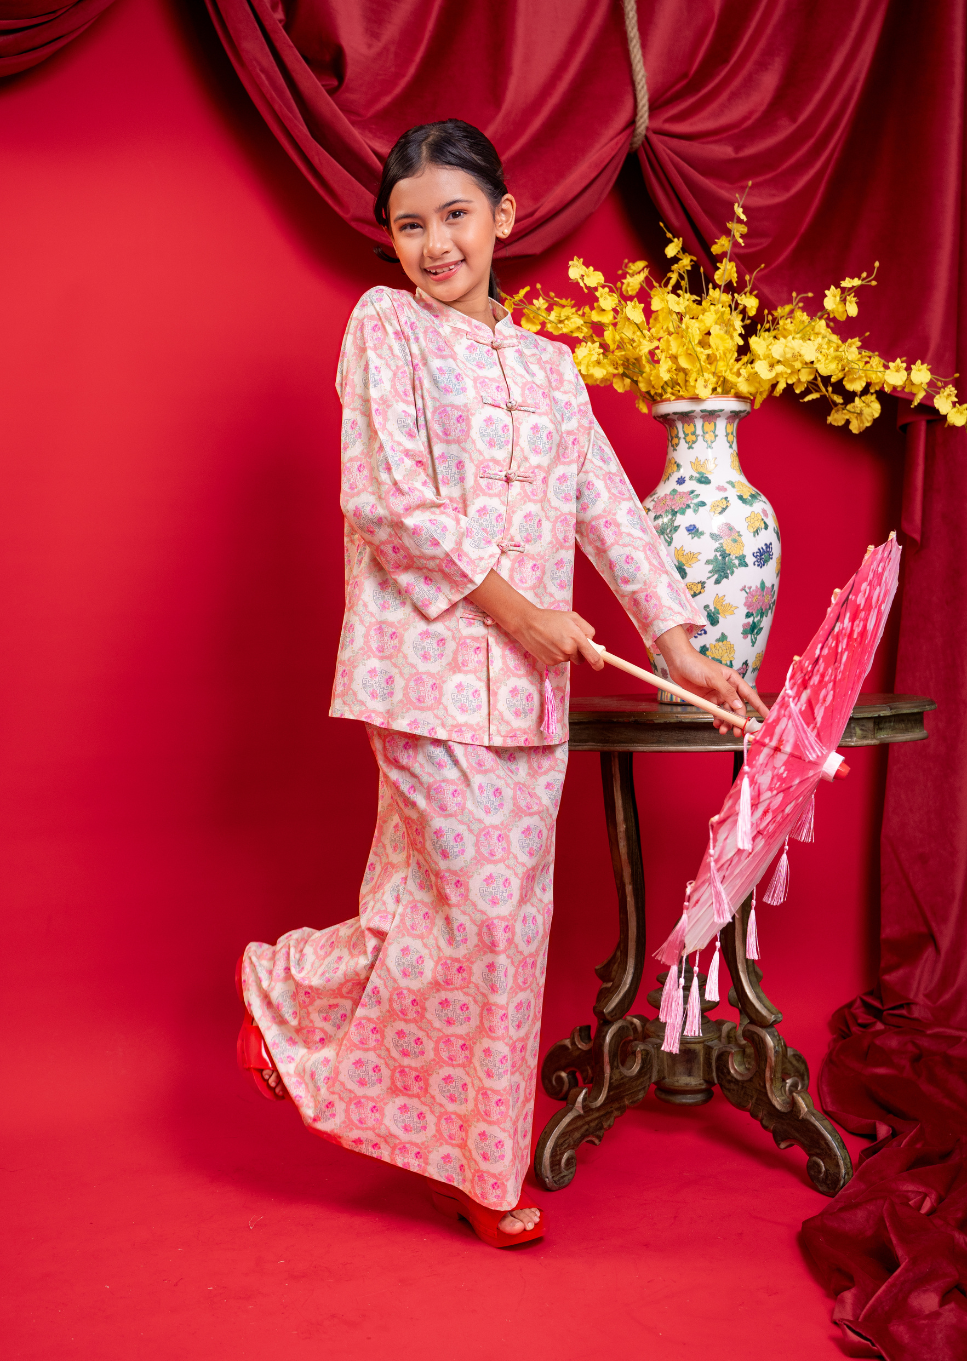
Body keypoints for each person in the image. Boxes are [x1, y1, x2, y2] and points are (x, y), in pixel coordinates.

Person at [236, 119, 768, 1248]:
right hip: (421, 674)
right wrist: (523, 611)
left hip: (531, 700)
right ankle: (283, 993)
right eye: (410, 225)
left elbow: (608, 510)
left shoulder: (548, 370)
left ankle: (470, 1162)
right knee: (474, 918)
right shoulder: (385, 329)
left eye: (455, 216)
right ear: (391, 240)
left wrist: (679, 643)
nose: (435, 244)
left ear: (504, 217)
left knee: (507, 932)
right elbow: (386, 501)